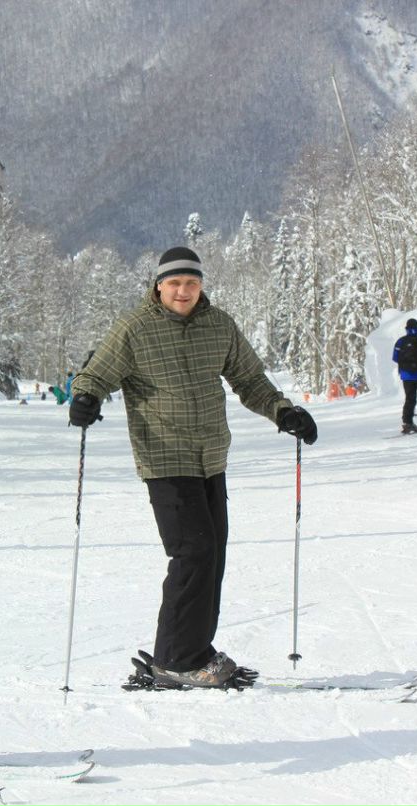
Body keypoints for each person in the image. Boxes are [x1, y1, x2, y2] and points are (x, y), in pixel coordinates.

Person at [67, 246, 317, 689]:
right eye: (175, 283)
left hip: (210, 456)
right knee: (193, 552)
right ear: (159, 285)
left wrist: (283, 411)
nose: (183, 291)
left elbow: (250, 380)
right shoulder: (134, 328)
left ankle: (195, 650)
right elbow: (95, 375)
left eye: (192, 283)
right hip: (164, 457)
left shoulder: (218, 325)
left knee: (212, 553)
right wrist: (85, 399)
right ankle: (176, 661)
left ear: (201, 286)